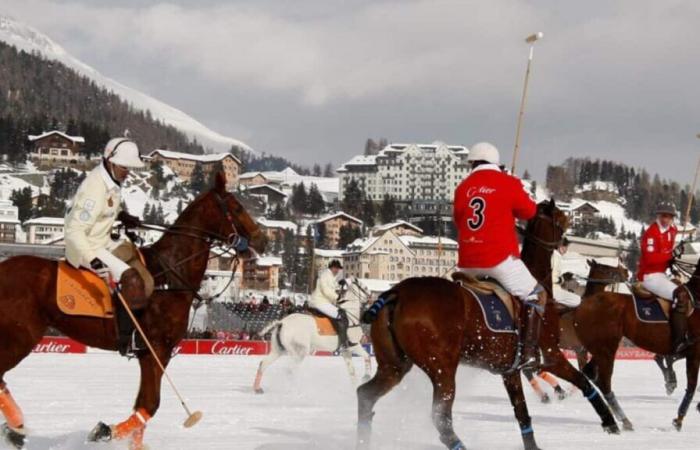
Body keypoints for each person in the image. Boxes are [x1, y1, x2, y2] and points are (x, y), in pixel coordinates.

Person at [453, 142, 546, 369]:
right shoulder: (508, 182)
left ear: (472, 163)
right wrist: (516, 187)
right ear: (496, 163)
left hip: (466, 263)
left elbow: (458, 220)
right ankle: (528, 353)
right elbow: (530, 211)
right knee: (536, 295)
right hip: (498, 259)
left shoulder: (463, 187)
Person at [64, 137, 154, 357]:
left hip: (102, 240)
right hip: (85, 246)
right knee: (131, 277)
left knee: (141, 259)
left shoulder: (111, 180)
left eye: (130, 168)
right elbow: (75, 231)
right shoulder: (94, 187)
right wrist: (92, 259)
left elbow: (108, 208)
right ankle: (127, 339)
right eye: (124, 167)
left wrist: (123, 216)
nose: (127, 172)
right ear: (110, 161)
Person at [637, 201, 691, 354]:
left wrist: (675, 254)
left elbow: (668, 254)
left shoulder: (672, 230)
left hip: (663, 274)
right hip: (650, 276)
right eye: (663, 215)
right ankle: (678, 341)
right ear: (658, 215)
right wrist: (670, 255)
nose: (666, 219)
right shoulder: (651, 233)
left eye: (669, 216)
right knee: (680, 295)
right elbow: (650, 259)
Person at [309, 259, 349, 348]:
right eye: (336, 268)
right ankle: (342, 342)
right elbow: (326, 290)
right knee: (341, 315)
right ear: (331, 268)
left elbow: (333, 288)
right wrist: (337, 297)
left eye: (338, 269)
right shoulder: (325, 275)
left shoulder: (330, 277)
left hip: (325, 302)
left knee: (341, 312)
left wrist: (340, 284)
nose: (337, 270)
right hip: (320, 302)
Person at [551, 238, 581, 307]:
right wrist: (562, 279)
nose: (566, 250)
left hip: (555, 289)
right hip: (553, 290)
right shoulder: (555, 257)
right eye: (565, 247)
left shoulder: (556, 256)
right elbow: (551, 277)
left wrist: (563, 277)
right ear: (560, 247)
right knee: (577, 300)